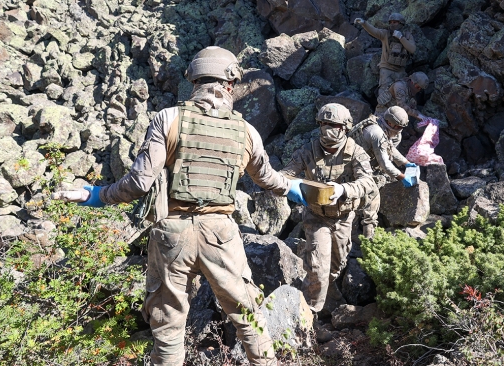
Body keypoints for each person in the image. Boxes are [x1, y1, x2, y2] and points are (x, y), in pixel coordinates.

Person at [54, 46, 307, 366]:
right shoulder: (247, 132)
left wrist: (96, 195)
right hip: (221, 233)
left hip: (172, 233)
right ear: (231, 83)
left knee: (169, 327)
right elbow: (269, 180)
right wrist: (300, 190)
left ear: (194, 79)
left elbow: (138, 184)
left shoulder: (168, 118)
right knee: (248, 317)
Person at [280, 103, 377, 313]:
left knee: (336, 265)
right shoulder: (308, 151)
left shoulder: (355, 152)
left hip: (343, 218)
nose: (327, 129)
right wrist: (292, 187)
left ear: (344, 127)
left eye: (333, 125)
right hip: (316, 218)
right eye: (323, 124)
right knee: (318, 269)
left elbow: (369, 183)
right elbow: (286, 175)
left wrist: (343, 189)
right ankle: (308, 316)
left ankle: (325, 292)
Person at [348, 106, 417, 238]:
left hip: (358, 163)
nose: (399, 131)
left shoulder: (379, 124)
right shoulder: (376, 133)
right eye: (398, 127)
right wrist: (402, 177)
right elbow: (384, 164)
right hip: (351, 169)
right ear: (390, 123)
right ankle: (365, 238)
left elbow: (389, 147)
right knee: (372, 197)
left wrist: (406, 163)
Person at [354, 13, 416, 97]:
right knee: (384, 94)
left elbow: (412, 49)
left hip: (400, 70)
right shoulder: (385, 34)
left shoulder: (407, 35)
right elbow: (374, 31)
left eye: (395, 22)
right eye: (390, 22)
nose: (392, 24)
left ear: (401, 23)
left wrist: (401, 38)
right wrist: (364, 23)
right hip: (387, 69)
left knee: (400, 93)